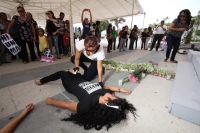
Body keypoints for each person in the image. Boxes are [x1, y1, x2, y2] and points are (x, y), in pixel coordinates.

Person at [34, 70, 136, 130]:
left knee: (62, 73)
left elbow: (67, 105)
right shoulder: (106, 94)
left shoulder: (87, 104)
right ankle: (72, 72)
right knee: (77, 73)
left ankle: (41, 81)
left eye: (113, 98)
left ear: (106, 102)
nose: (114, 96)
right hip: (82, 80)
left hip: (70, 84)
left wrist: (51, 101)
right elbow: (108, 87)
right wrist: (120, 89)